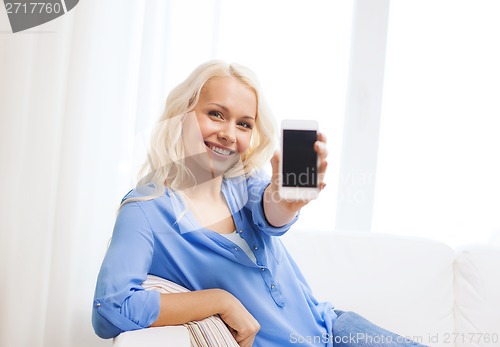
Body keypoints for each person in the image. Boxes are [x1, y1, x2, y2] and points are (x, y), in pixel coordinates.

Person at [92, 60, 426, 347]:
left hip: (336, 328)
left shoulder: (244, 184)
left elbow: (271, 213)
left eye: (243, 124)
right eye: (215, 114)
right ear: (182, 115)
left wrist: (286, 200)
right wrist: (218, 301)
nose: (228, 133)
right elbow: (111, 307)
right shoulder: (146, 209)